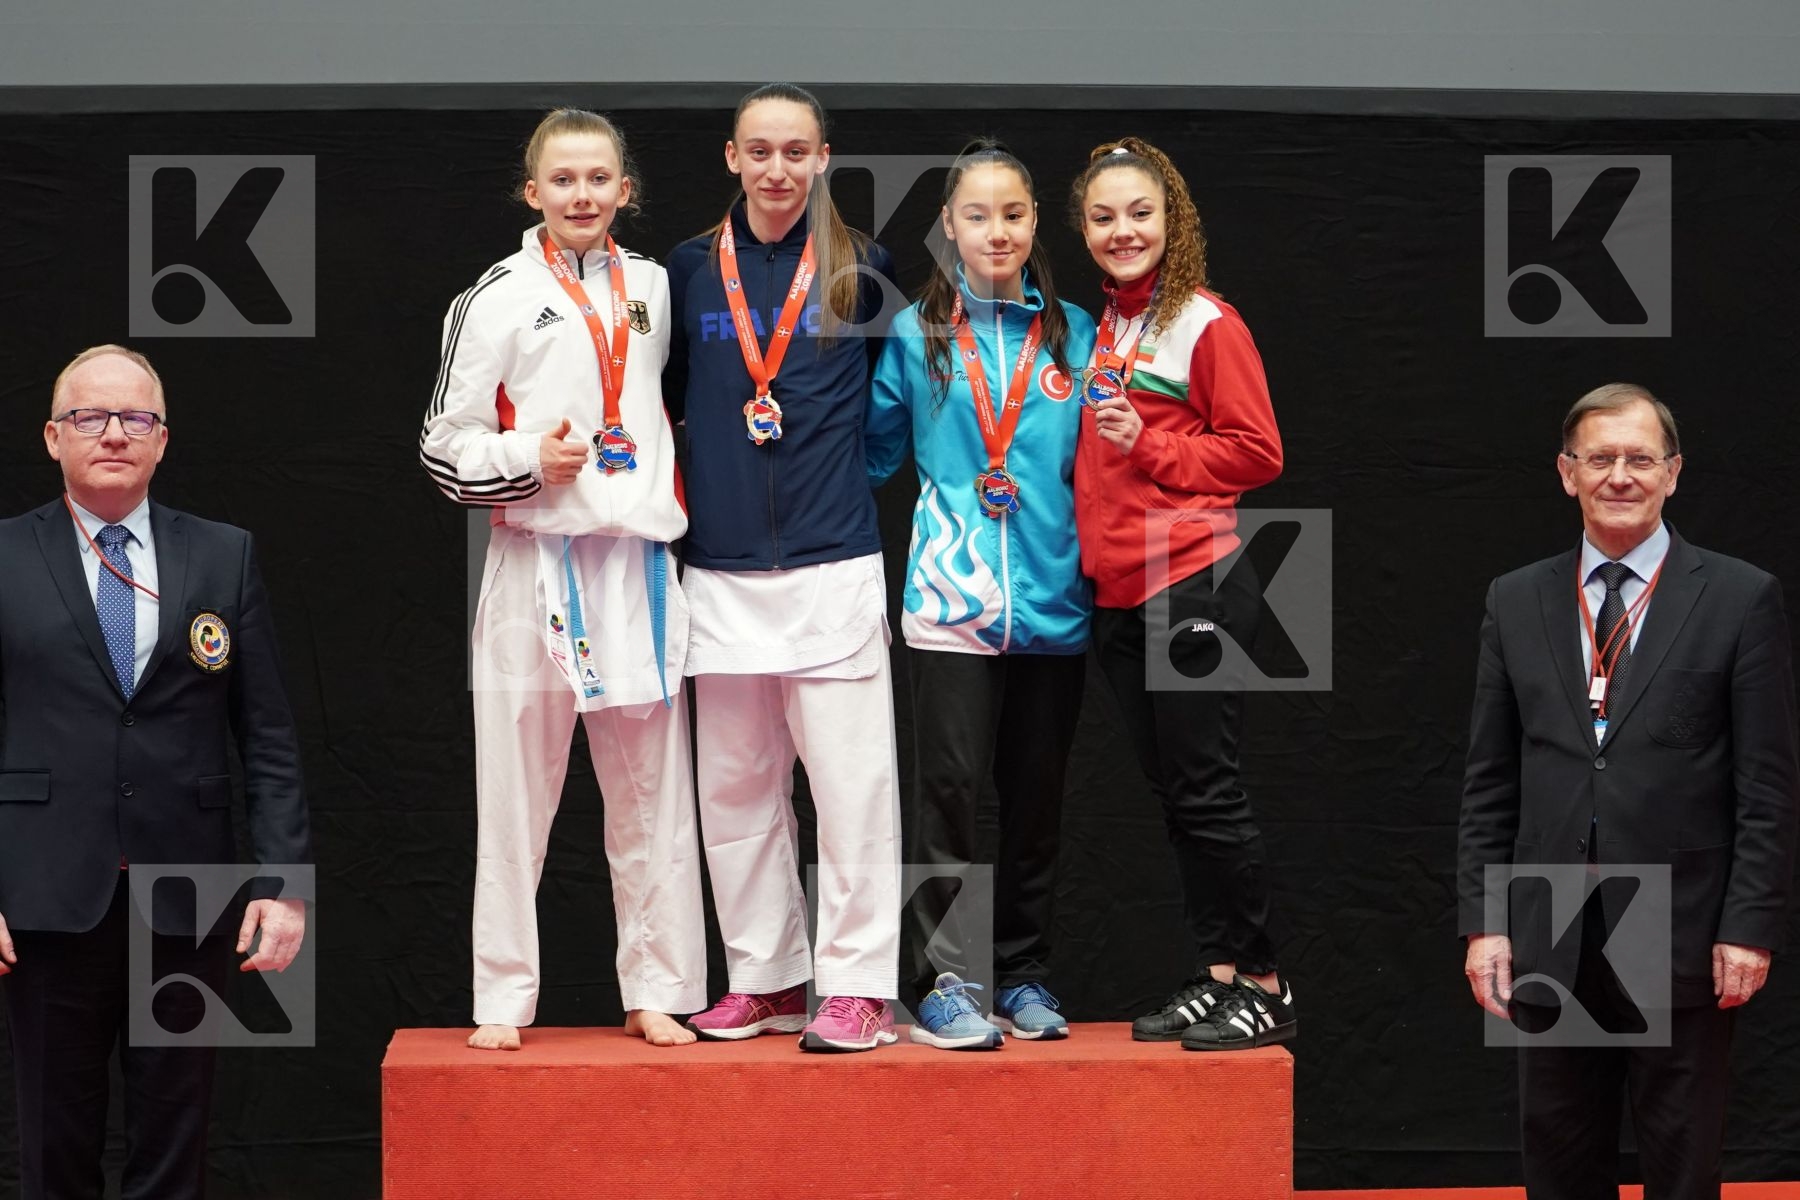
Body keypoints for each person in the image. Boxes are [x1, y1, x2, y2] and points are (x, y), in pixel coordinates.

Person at [1458, 384, 1798, 1200]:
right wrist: (1484, 924)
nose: (1621, 475)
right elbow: (1489, 778)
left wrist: (1748, 927)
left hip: (1679, 919)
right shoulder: (1517, 598)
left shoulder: (1740, 597)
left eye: (1640, 458)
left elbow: (1767, 784)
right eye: (1600, 458)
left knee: (1681, 1162)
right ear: (1566, 473)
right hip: (1551, 914)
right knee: (1561, 1160)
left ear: (1673, 474)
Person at [420, 108, 705, 1052]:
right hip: (534, 561)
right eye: (563, 179)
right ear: (532, 191)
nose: (581, 195)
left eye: (599, 179)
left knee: (654, 796)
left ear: (625, 190)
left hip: (639, 567)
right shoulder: (493, 295)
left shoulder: (660, 289)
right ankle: (501, 999)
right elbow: (440, 446)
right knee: (514, 792)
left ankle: (657, 989)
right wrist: (526, 457)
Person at [0, 345, 311, 1200]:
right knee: (53, 1147)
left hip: (189, 892)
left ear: (163, 440)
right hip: (46, 898)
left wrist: (283, 885)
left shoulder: (223, 555)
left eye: (135, 418)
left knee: (175, 1145)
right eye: (89, 418)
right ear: (52, 437)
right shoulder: (4, 556)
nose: (113, 434)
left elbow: (270, 733)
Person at [664, 83, 904, 1052]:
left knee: (853, 792)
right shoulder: (685, 271)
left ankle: (858, 988)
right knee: (735, 789)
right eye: (759, 151)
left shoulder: (862, 268)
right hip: (718, 571)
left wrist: (836, 486)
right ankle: (764, 978)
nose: (776, 168)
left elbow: (890, 414)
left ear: (822, 159)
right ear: (731, 158)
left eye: (794, 151)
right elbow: (666, 404)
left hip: (831, 562)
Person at [866, 141, 1097, 1050]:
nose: (995, 230)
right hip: (948, 603)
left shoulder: (1078, 334)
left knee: (1035, 801)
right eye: (976, 214)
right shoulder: (915, 335)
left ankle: (1026, 974)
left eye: (1012, 213)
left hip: (1055, 602)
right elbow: (874, 452)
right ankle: (942, 981)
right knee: (949, 798)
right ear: (948, 229)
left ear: (1034, 223)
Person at [1069, 138, 1295, 1050]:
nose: (1123, 231)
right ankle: (1220, 975)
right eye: (1103, 216)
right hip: (1119, 589)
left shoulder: (1204, 322)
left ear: (1174, 221)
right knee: (1175, 797)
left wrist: (1151, 448)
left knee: (1207, 792)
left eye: (1140, 213)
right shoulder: (1104, 325)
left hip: (1190, 574)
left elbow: (1258, 452)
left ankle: (1269, 983)